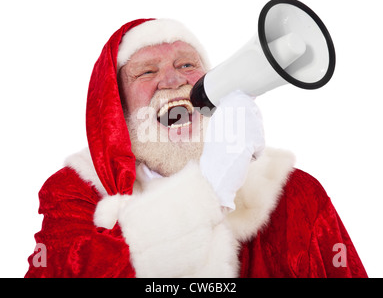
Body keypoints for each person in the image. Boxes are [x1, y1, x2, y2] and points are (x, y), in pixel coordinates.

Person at [25, 18, 367, 278]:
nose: (174, 81)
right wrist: (210, 193)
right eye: (146, 71)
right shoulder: (74, 193)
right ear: (116, 106)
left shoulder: (297, 194)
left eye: (188, 65)